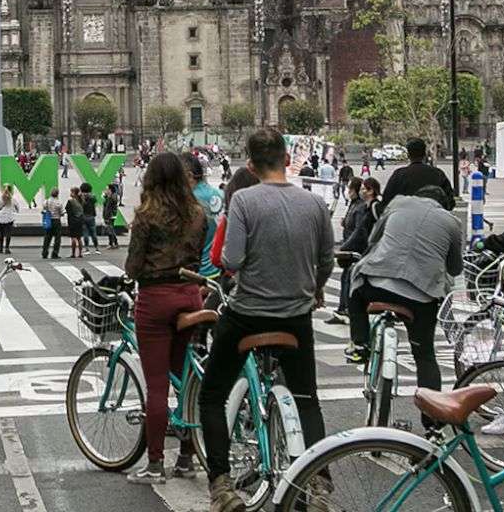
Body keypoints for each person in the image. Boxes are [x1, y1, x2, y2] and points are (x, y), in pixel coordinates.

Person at [201, 129, 333, 512]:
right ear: (287, 159)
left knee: (213, 394)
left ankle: (222, 488)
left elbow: (232, 260)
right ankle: (321, 485)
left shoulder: (243, 199)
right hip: (295, 316)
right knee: (308, 399)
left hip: (247, 315)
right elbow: (326, 260)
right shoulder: (314, 203)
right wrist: (316, 289)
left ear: (250, 164)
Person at [122, 152, 213, 483]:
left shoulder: (147, 216)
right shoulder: (198, 214)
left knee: (157, 386)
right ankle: (187, 457)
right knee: (186, 380)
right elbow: (199, 256)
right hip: (190, 297)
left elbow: (133, 267)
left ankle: (156, 464)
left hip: (156, 299)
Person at [346, 184, 460, 422]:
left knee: (355, 294)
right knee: (425, 356)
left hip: (376, 284)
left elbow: (373, 238)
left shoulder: (398, 203)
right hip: (420, 296)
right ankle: (432, 424)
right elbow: (455, 268)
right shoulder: (451, 222)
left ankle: (360, 344)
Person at [330, 176, 380, 325]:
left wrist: (345, 247)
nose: (348, 191)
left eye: (350, 189)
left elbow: (361, 231)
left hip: (356, 251)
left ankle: (347, 309)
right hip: (351, 249)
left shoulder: (364, 207)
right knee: (346, 278)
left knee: (349, 279)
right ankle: (343, 308)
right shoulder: (356, 205)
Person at [381, 137, 456, 209]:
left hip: (405, 218)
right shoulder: (438, 174)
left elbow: (386, 200)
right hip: (433, 218)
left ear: (408, 155)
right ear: (424, 153)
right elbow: (450, 202)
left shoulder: (399, 175)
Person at [189, 157, 225, 279]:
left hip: (197, 272)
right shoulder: (220, 194)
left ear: (189, 175)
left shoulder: (189, 200)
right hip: (219, 267)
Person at [0, 185, 21, 254]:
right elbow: (17, 206)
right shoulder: (13, 198)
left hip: (0, 218)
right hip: (9, 218)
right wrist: (15, 211)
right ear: (11, 190)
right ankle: (7, 248)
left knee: (1, 233)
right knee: (8, 233)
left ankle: (1, 248)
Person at [43, 188, 66, 259]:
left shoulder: (46, 201)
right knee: (57, 238)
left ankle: (45, 253)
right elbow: (62, 213)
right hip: (56, 221)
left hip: (49, 221)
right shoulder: (59, 203)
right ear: (57, 194)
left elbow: (44, 210)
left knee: (47, 237)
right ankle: (55, 253)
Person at [103, 180, 123, 249]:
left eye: (107, 189)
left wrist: (106, 217)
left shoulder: (112, 197)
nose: (106, 190)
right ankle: (114, 243)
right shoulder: (110, 196)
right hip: (110, 215)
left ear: (110, 190)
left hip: (110, 215)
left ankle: (112, 243)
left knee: (110, 230)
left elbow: (108, 207)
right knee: (111, 229)